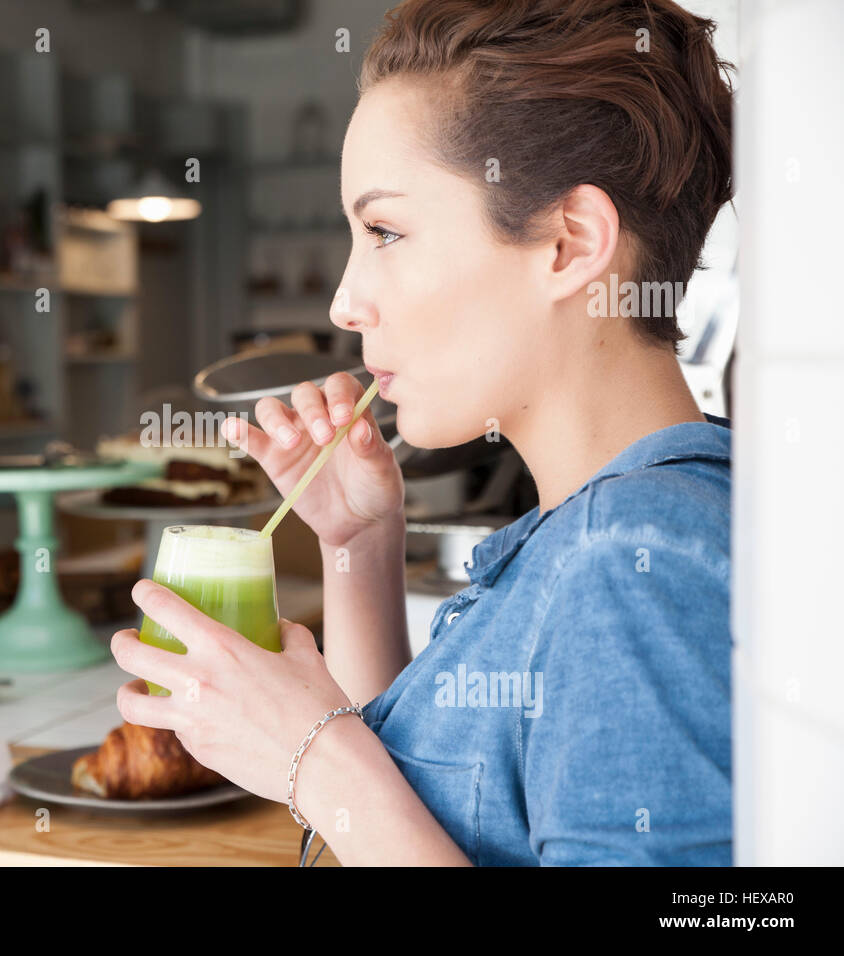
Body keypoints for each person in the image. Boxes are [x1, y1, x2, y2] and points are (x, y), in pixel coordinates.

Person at [110, 0, 735, 866]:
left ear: (569, 242)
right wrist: (361, 545)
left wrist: (313, 760)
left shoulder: (629, 564)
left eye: (386, 231)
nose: (343, 300)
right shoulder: (595, 532)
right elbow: (424, 808)